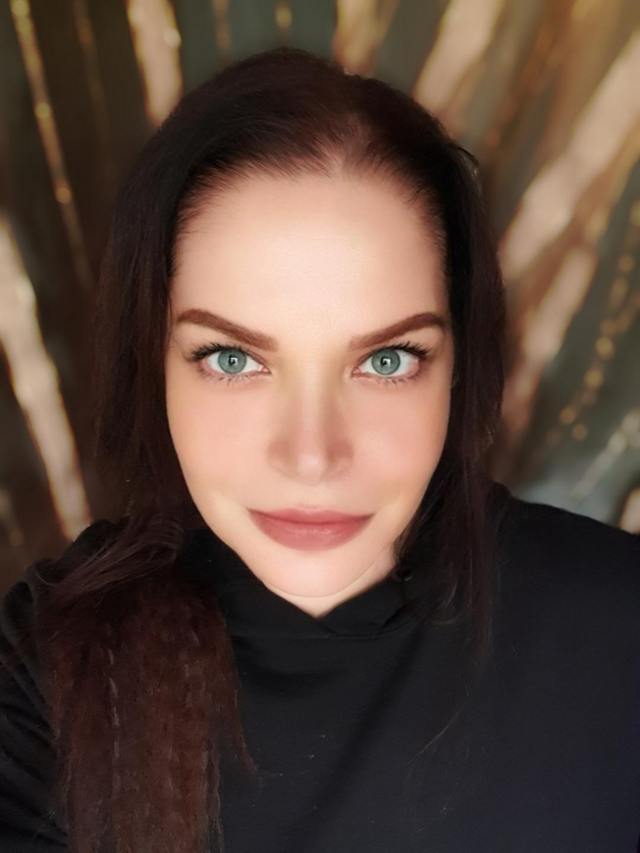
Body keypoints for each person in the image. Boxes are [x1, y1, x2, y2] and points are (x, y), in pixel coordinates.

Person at [0, 45, 638, 853]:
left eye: (387, 361)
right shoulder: (52, 662)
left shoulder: (621, 629)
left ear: (458, 366)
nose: (311, 456)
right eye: (233, 359)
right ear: (153, 361)